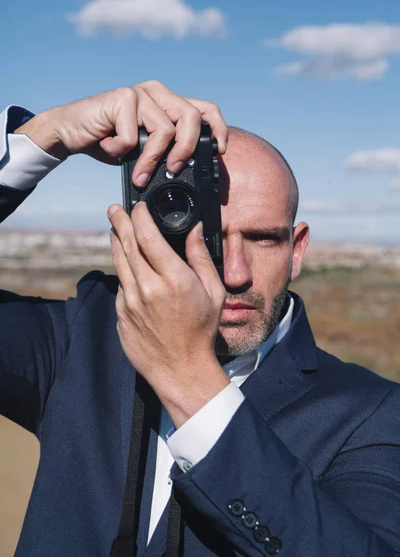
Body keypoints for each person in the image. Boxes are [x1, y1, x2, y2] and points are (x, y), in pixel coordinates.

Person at [0, 81, 399, 557]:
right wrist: (43, 138)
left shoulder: (371, 411)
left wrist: (187, 376)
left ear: (298, 250)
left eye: (264, 239)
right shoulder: (83, 338)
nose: (234, 273)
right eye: (205, 236)